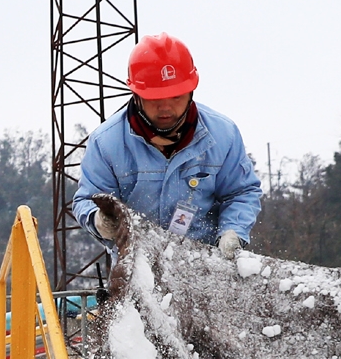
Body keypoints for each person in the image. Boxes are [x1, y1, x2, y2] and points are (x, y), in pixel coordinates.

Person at [72, 33, 263, 257]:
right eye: (155, 99)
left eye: (176, 97)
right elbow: (87, 199)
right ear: (136, 94)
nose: (165, 108)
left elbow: (241, 192)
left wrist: (233, 231)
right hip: (137, 268)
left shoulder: (223, 135)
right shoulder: (106, 143)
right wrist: (99, 220)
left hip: (205, 267)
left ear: (191, 91)